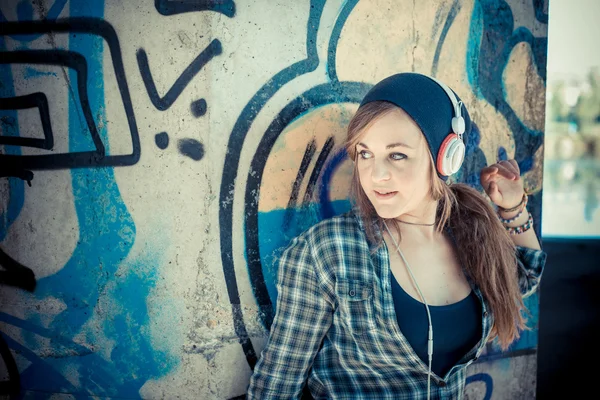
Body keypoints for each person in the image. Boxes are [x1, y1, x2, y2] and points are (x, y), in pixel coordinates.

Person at [246, 72, 547, 399]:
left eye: (397, 154)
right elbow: (277, 385)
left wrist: (514, 207)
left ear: (447, 158)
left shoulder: (471, 233)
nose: (375, 175)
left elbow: (521, 279)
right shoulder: (328, 251)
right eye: (365, 154)